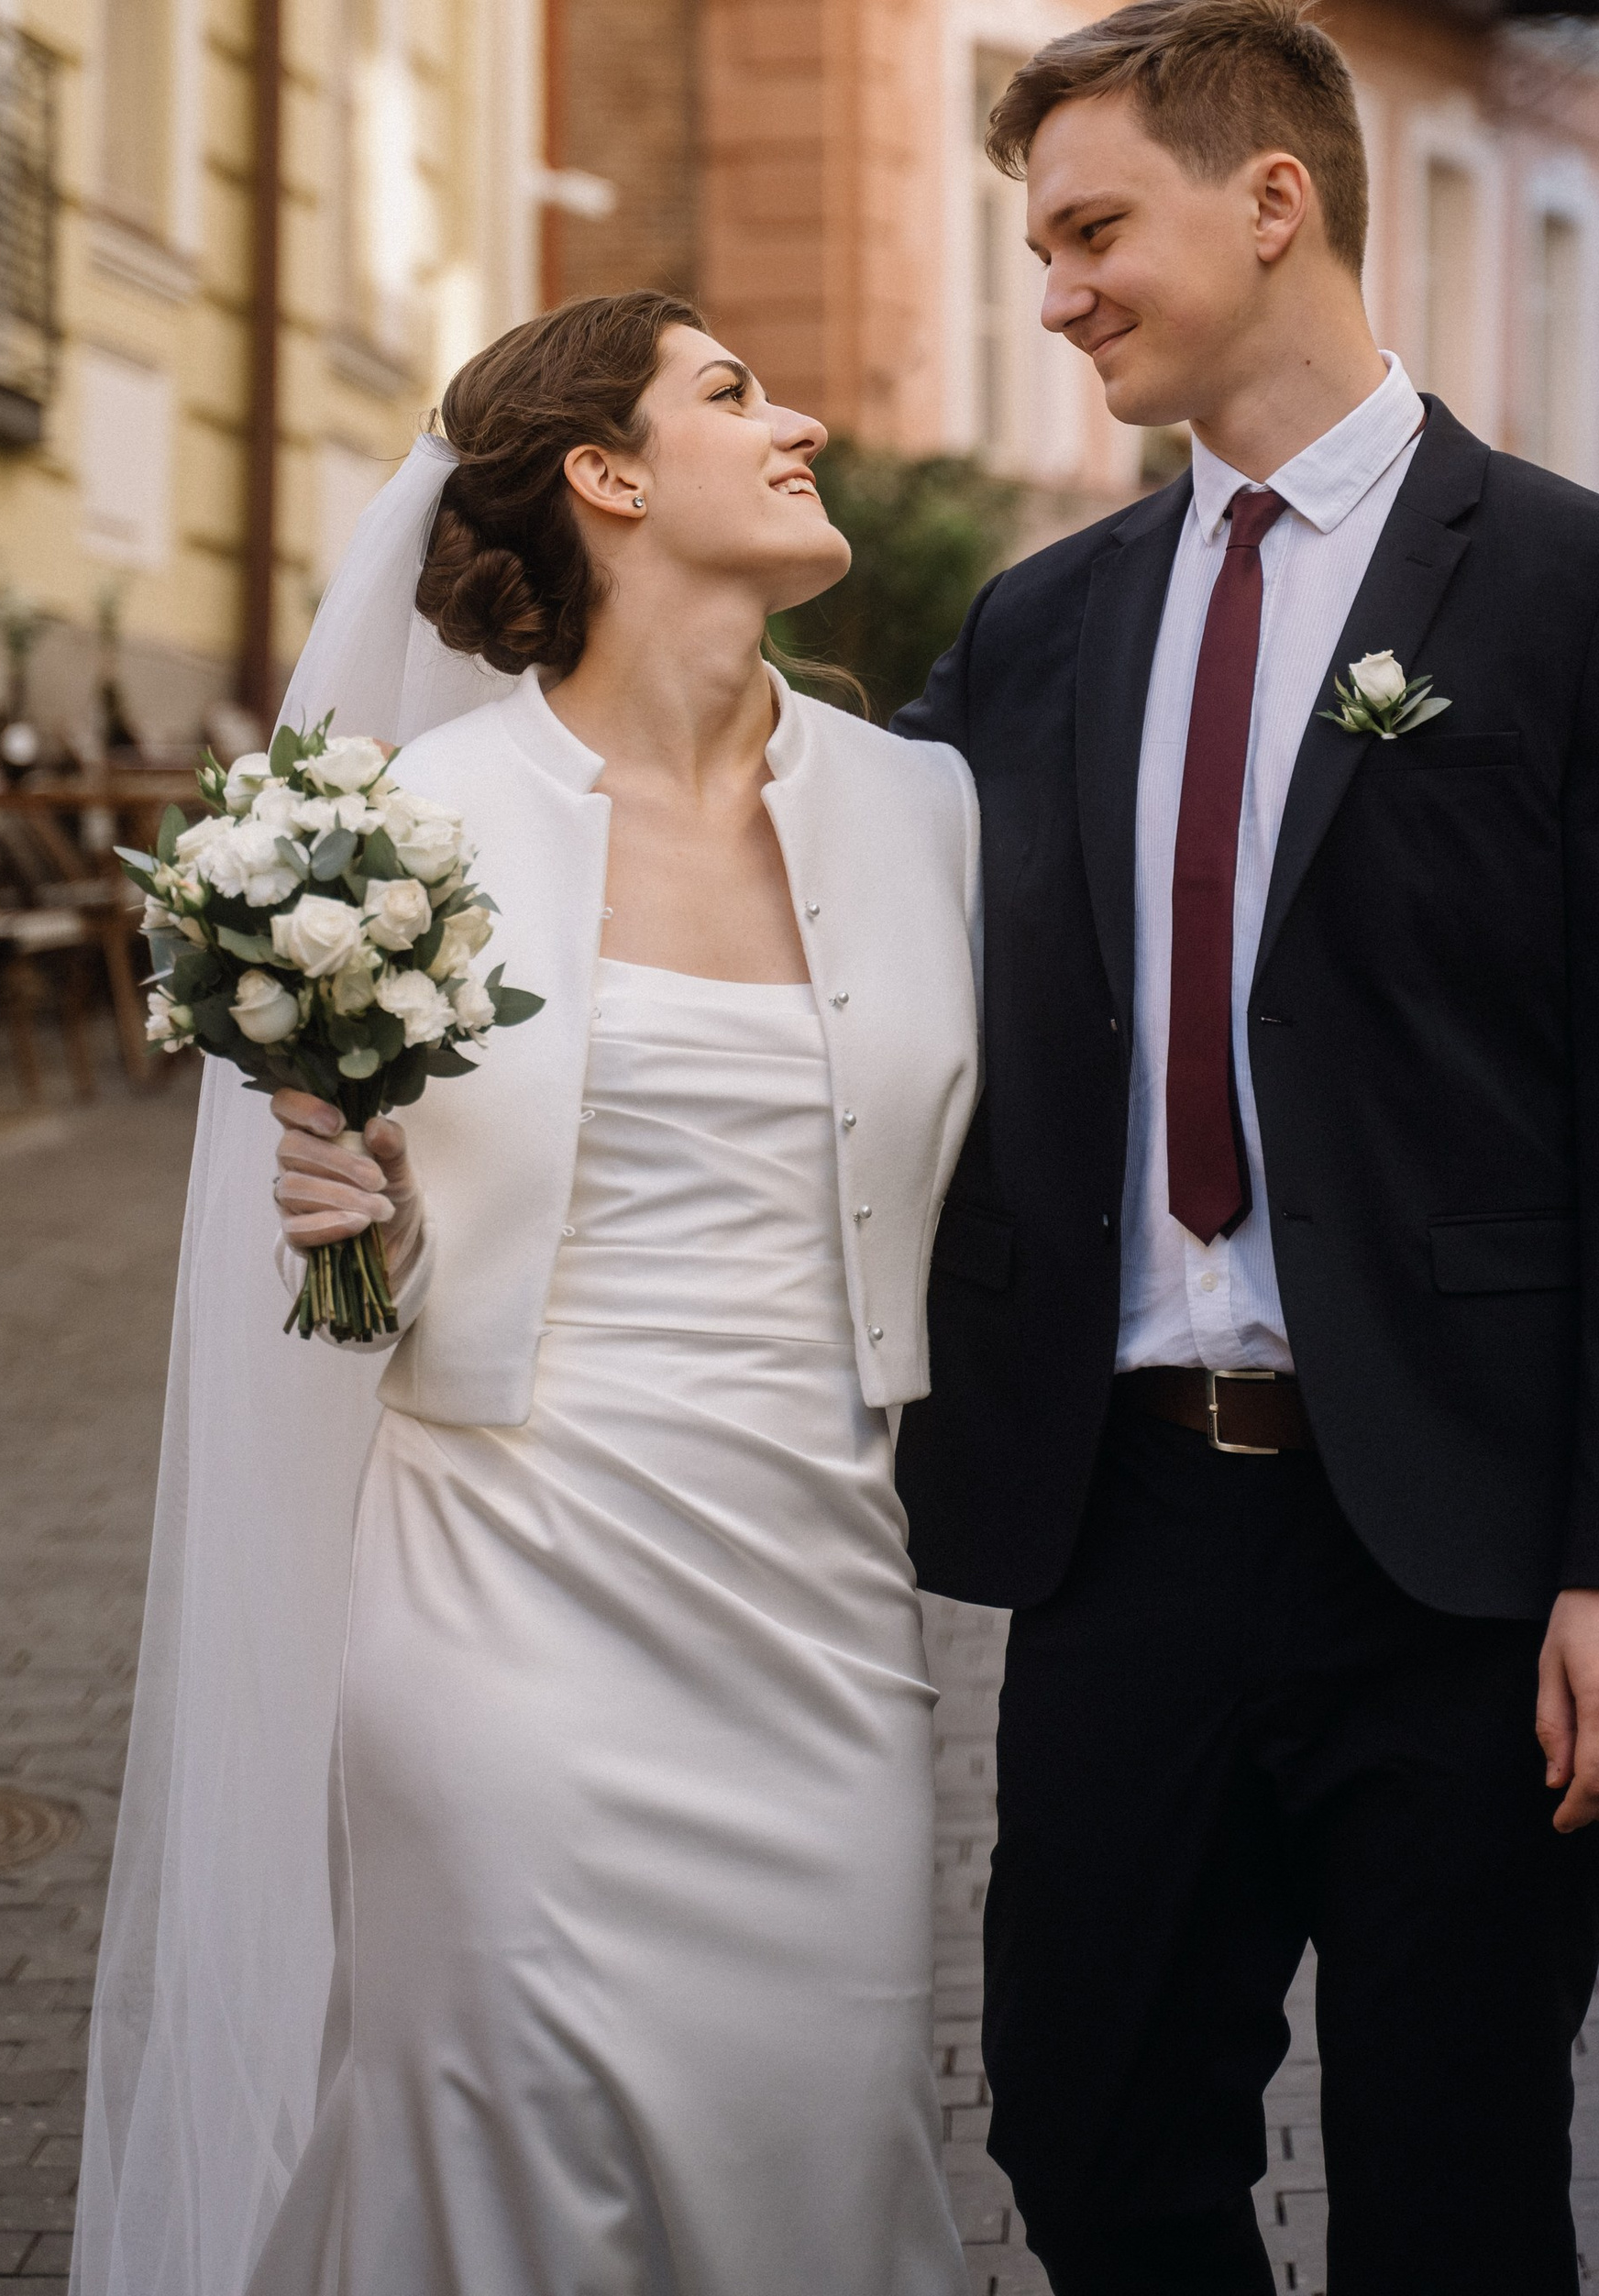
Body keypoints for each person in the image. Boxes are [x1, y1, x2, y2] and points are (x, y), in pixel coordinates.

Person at [895, 0, 1599, 2294]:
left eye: (1092, 232)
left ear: (1271, 200)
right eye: (1041, 250)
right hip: (1123, 1535)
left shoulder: (1586, 595)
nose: (1056, 293)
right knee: (1085, 2148)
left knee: (1449, 2206)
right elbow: (801, 920)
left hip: (1465, 1565)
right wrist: (416, 1036)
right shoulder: (1038, 626)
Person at [73, 293, 979, 2296]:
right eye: (737, 391)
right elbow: (351, 1282)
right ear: (608, 473)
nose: (803, 413)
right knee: (504, 2168)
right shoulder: (397, 834)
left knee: (822, 2159)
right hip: (503, 1611)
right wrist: (346, 1216)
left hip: (819, 1625)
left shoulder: (929, 816)